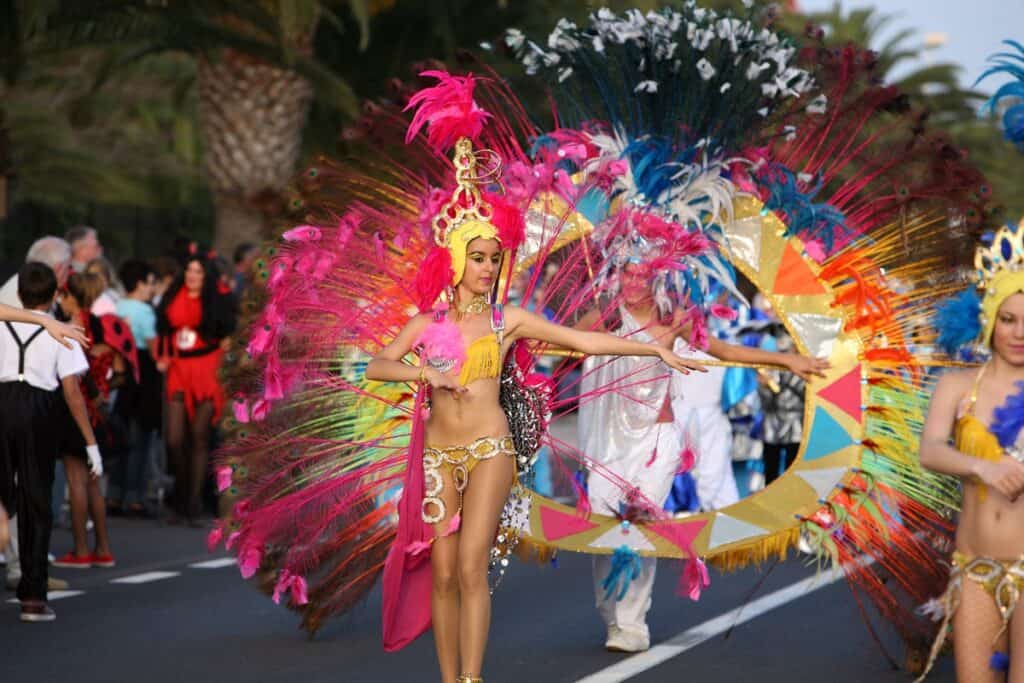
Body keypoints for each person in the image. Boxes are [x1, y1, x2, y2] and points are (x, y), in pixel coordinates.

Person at [576, 245, 827, 653]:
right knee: (606, 531)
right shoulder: (602, 318)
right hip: (609, 442)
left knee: (643, 525)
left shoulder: (676, 320)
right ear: (617, 275)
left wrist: (787, 362)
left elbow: (725, 351)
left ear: (659, 277)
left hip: (659, 439)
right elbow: (562, 340)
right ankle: (611, 611)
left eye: (644, 274)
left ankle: (631, 623)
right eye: (628, 273)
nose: (635, 282)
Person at [916, 220, 1024, 681]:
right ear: (989, 320)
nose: (1019, 333)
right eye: (1009, 318)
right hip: (975, 568)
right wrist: (982, 465)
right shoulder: (958, 385)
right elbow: (931, 450)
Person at [0, 263, 98, 621]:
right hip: (39, 407)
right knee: (36, 499)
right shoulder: (63, 332)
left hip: (2, 401)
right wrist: (91, 443)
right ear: (55, 294)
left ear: (19, 292)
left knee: (4, 495)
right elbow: (72, 390)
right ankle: (33, 596)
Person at [51, 273, 135, 569]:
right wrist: (101, 392)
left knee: (76, 480)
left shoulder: (71, 325)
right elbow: (111, 366)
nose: (59, 298)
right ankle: (103, 548)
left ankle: (81, 549)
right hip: (96, 410)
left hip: (74, 410)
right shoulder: (98, 324)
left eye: (62, 293)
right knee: (94, 484)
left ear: (71, 295)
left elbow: (72, 376)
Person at [155, 254, 235, 525]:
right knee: (175, 439)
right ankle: (181, 493)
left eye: (198, 272)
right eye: (189, 270)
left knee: (200, 435)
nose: (192, 275)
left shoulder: (218, 298)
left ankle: (192, 504)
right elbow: (163, 329)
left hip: (207, 368)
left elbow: (229, 330)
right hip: (179, 368)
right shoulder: (173, 293)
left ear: (206, 275)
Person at [110, 260, 161, 516]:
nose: (152, 288)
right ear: (140, 284)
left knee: (121, 439)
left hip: (122, 373)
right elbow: (155, 349)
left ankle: (115, 494)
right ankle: (135, 497)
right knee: (141, 441)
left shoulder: (116, 307)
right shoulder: (145, 311)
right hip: (144, 376)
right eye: (150, 283)